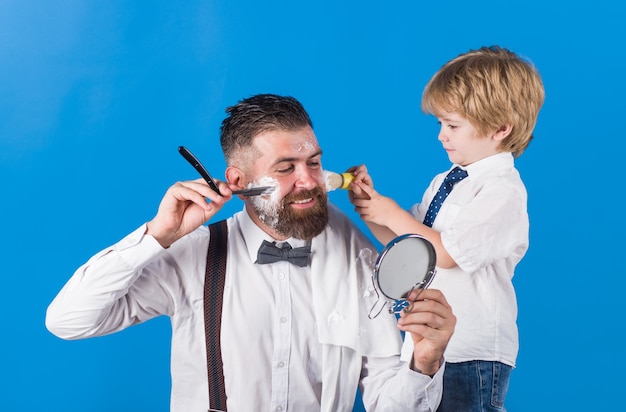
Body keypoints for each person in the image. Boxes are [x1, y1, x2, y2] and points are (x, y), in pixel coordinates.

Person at [46, 93, 456, 412]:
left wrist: (424, 359)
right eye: (285, 168)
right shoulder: (195, 254)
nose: (309, 181)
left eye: (314, 163)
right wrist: (157, 235)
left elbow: (391, 403)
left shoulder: (362, 258)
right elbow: (68, 321)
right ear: (238, 181)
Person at [347, 46, 545, 411]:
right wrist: (371, 209)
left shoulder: (502, 190)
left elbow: (448, 253)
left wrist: (390, 212)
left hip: (471, 352)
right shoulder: (447, 179)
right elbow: (410, 246)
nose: (442, 135)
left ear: (501, 128)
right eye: (440, 124)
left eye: (452, 125)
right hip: (431, 346)